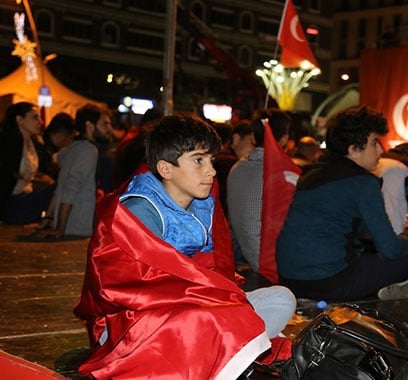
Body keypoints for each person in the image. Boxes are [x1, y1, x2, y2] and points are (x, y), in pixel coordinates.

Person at [73, 113, 295, 379]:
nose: (211, 171)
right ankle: (224, 352)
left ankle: (222, 350)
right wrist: (205, 298)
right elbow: (123, 289)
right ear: (166, 169)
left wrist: (213, 297)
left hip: (192, 307)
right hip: (133, 321)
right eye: (198, 160)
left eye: (211, 160)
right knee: (206, 319)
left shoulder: (202, 203)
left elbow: (213, 270)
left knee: (281, 298)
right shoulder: (138, 211)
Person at [276, 106, 408, 301]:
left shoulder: (310, 175)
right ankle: (375, 290)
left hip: (289, 281)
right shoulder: (363, 182)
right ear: (353, 150)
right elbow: (391, 249)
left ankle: (372, 287)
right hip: (330, 284)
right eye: (374, 143)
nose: (381, 150)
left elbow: (331, 224)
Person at [227, 109, 291, 274]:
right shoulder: (281, 171)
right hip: (274, 264)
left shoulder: (237, 168)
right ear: (284, 139)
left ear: (254, 137)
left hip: (248, 255)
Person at [36, 111, 97, 239]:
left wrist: (52, 218)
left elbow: (61, 189)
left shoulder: (72, 152)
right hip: (78, 226)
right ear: (90, 126)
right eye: (105, 123)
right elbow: (69, 188)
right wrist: (60, 228)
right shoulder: (87, 151)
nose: (110, 129)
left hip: (70, 224)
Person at [0, 102, 55, 224]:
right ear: (20, 120)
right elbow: (5, 177)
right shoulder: (12, 140)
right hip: (13, 204)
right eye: (35, 117)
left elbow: (48, 169)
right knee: (62, 185)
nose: (40, 122)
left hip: (25, 198)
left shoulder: (32, 142)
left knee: (64, 184)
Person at [213, 119, 255, 216]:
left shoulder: (221, 159)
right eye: (252, 143)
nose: (255, 150)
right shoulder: (228, 164)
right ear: (236, 139)